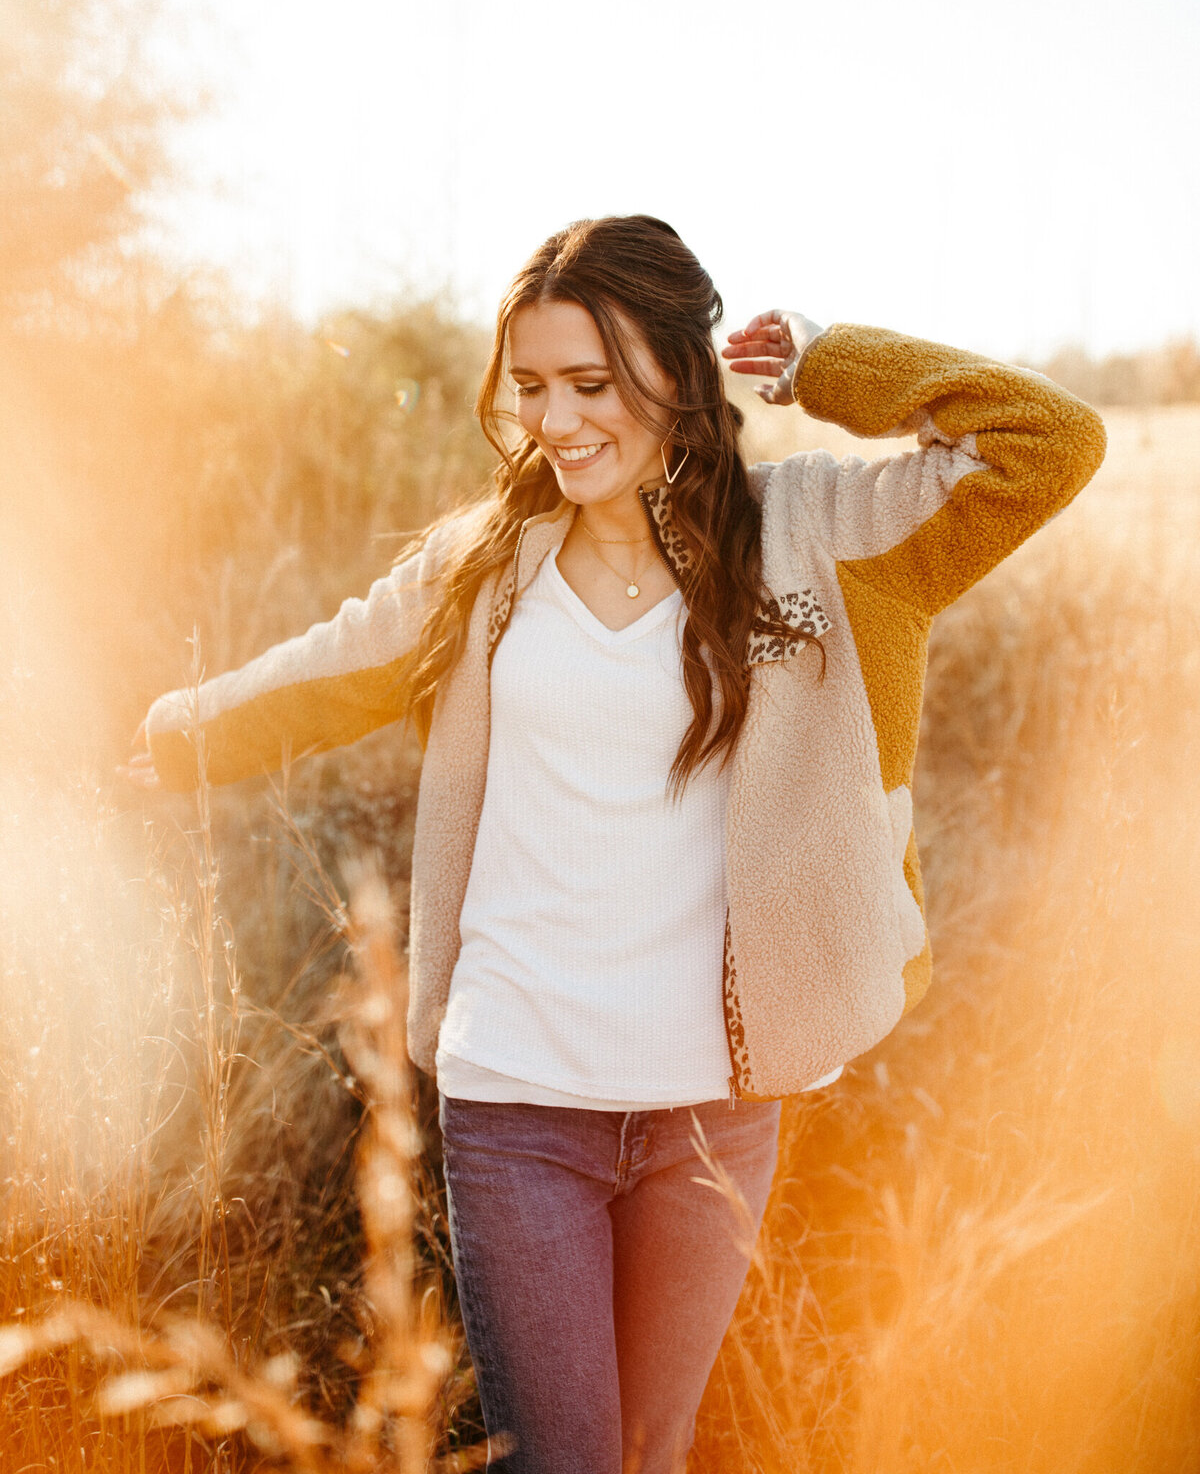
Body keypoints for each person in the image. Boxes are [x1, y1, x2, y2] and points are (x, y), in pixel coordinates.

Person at [127, 215, 1106, 1474]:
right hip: (520, 1093)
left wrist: (824, 360)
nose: (558, 419)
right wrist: (167, 738)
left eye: (592, 383)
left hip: (715, 1104)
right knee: (568, 1464)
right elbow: (335, 664)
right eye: (532, 387)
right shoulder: (489, 566)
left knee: (656, 1452)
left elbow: (1050, 442)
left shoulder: (821, 533)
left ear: (679, 376)